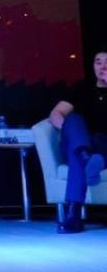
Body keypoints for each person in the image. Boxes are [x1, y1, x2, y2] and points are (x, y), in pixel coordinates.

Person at [49, 49, 107, 233]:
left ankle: (73, 215)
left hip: (104, 143)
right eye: (98, 62)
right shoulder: (83, 89)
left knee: (81, 155)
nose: (103, 66)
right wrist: (69, 131)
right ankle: (85, 155)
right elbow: (56, 114)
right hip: (83, 141)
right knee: (73, 120)